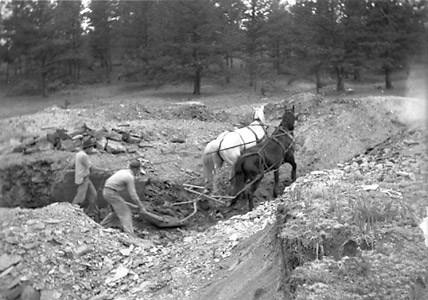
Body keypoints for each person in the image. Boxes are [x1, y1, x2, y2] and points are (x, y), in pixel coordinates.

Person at [100, 160, 146, 236]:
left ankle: (101, 226)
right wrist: (141, 207)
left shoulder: (123, 171)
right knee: (126, 212)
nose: (138, 173)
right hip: (111, 192)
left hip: (107, 190)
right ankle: (130, 235)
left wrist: (135, 206)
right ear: (135, 169)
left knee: (115, 212)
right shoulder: (129, 177)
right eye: (138, 170)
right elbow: (133, 194)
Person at [72, 140, 105, 218]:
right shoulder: (84, 156)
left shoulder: (78, 154)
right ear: (88, 148)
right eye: (91, 148)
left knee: (93, 194)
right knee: (80, 197)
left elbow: (73, 165)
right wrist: (103, 170)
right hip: (83, 178)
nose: (92, 149)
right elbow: (91, 167)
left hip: (84, 177)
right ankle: (72, 210)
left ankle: (91, 211)